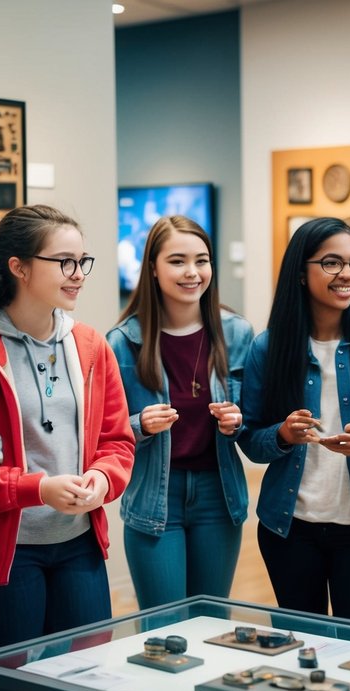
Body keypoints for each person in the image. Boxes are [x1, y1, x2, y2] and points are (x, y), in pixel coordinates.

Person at [0, 205, 135, 651]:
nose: (78, 274)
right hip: (6, 553)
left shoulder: (92, 346)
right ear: (18, 267)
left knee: (90, 678)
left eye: (82, 262)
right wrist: (35, 489)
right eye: (64, 262)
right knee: (16, 688)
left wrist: (101, 478)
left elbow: (117, 442)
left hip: (79, 544)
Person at [239, 217, 350, 624]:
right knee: (303, 649)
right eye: (332, 263)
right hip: (289, 529)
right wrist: (282, 435)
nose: (348, 275)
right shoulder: (269, 348)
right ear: (302, 273)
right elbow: (250, 439)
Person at [107, 216, 254, 608]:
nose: (192, 272)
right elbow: (104, 432)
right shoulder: (122, 342)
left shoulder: (237, 333)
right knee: (163, 628)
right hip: (156, 495)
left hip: (218, 495)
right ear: (152, 268)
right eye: (177, 261)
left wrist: (237, 421)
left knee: (211, 620)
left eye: (201, 260)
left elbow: (256, 418)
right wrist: (140, 425)